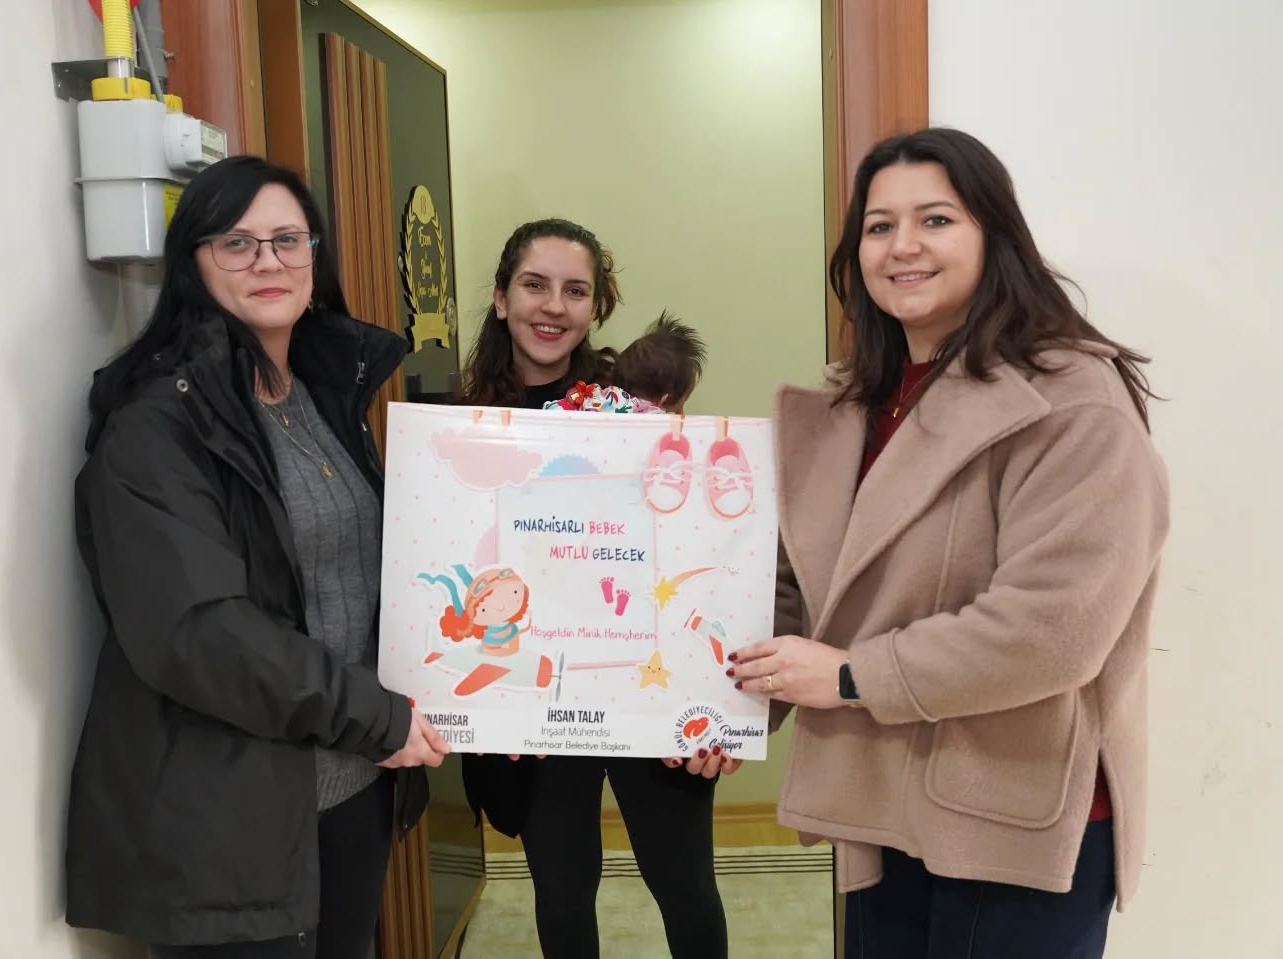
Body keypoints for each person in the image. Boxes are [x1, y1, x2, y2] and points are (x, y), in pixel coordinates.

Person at [729, 128, 1170, 958]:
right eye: (879, 226)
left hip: (1009, 819)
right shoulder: (857, 403)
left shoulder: (1073, 400)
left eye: (935, 219)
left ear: (994, 234)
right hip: (876, 799)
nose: (903, 246)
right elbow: (802, 587)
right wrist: (728, 706)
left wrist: (851, 675)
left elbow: (1052, 630)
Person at [65, 155, 451, 959]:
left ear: (315, 255)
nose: (268, 261)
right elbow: (200, 633)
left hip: (354, 788)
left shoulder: (322, 395)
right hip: (229, 823)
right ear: (193, 263)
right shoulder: (155, 429)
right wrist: (376, 715)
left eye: (287, 240)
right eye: (236, 243)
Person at [458, 219, 734, 959]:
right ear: (501, 297)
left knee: (684, 883)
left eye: (575, 291)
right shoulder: (465, 426)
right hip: (534, 706)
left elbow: (699, 543)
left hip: (646, 683)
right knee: (562, 888)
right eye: (535, 285)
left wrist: (720, 700)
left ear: (595, 307)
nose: (554, 306)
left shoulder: (633, 408)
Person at [543, 310, 707, 414]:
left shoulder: (594, 396)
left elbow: (550, 412)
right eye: (679, 408)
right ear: (662, 401)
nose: (682, 414)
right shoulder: (652, 417)